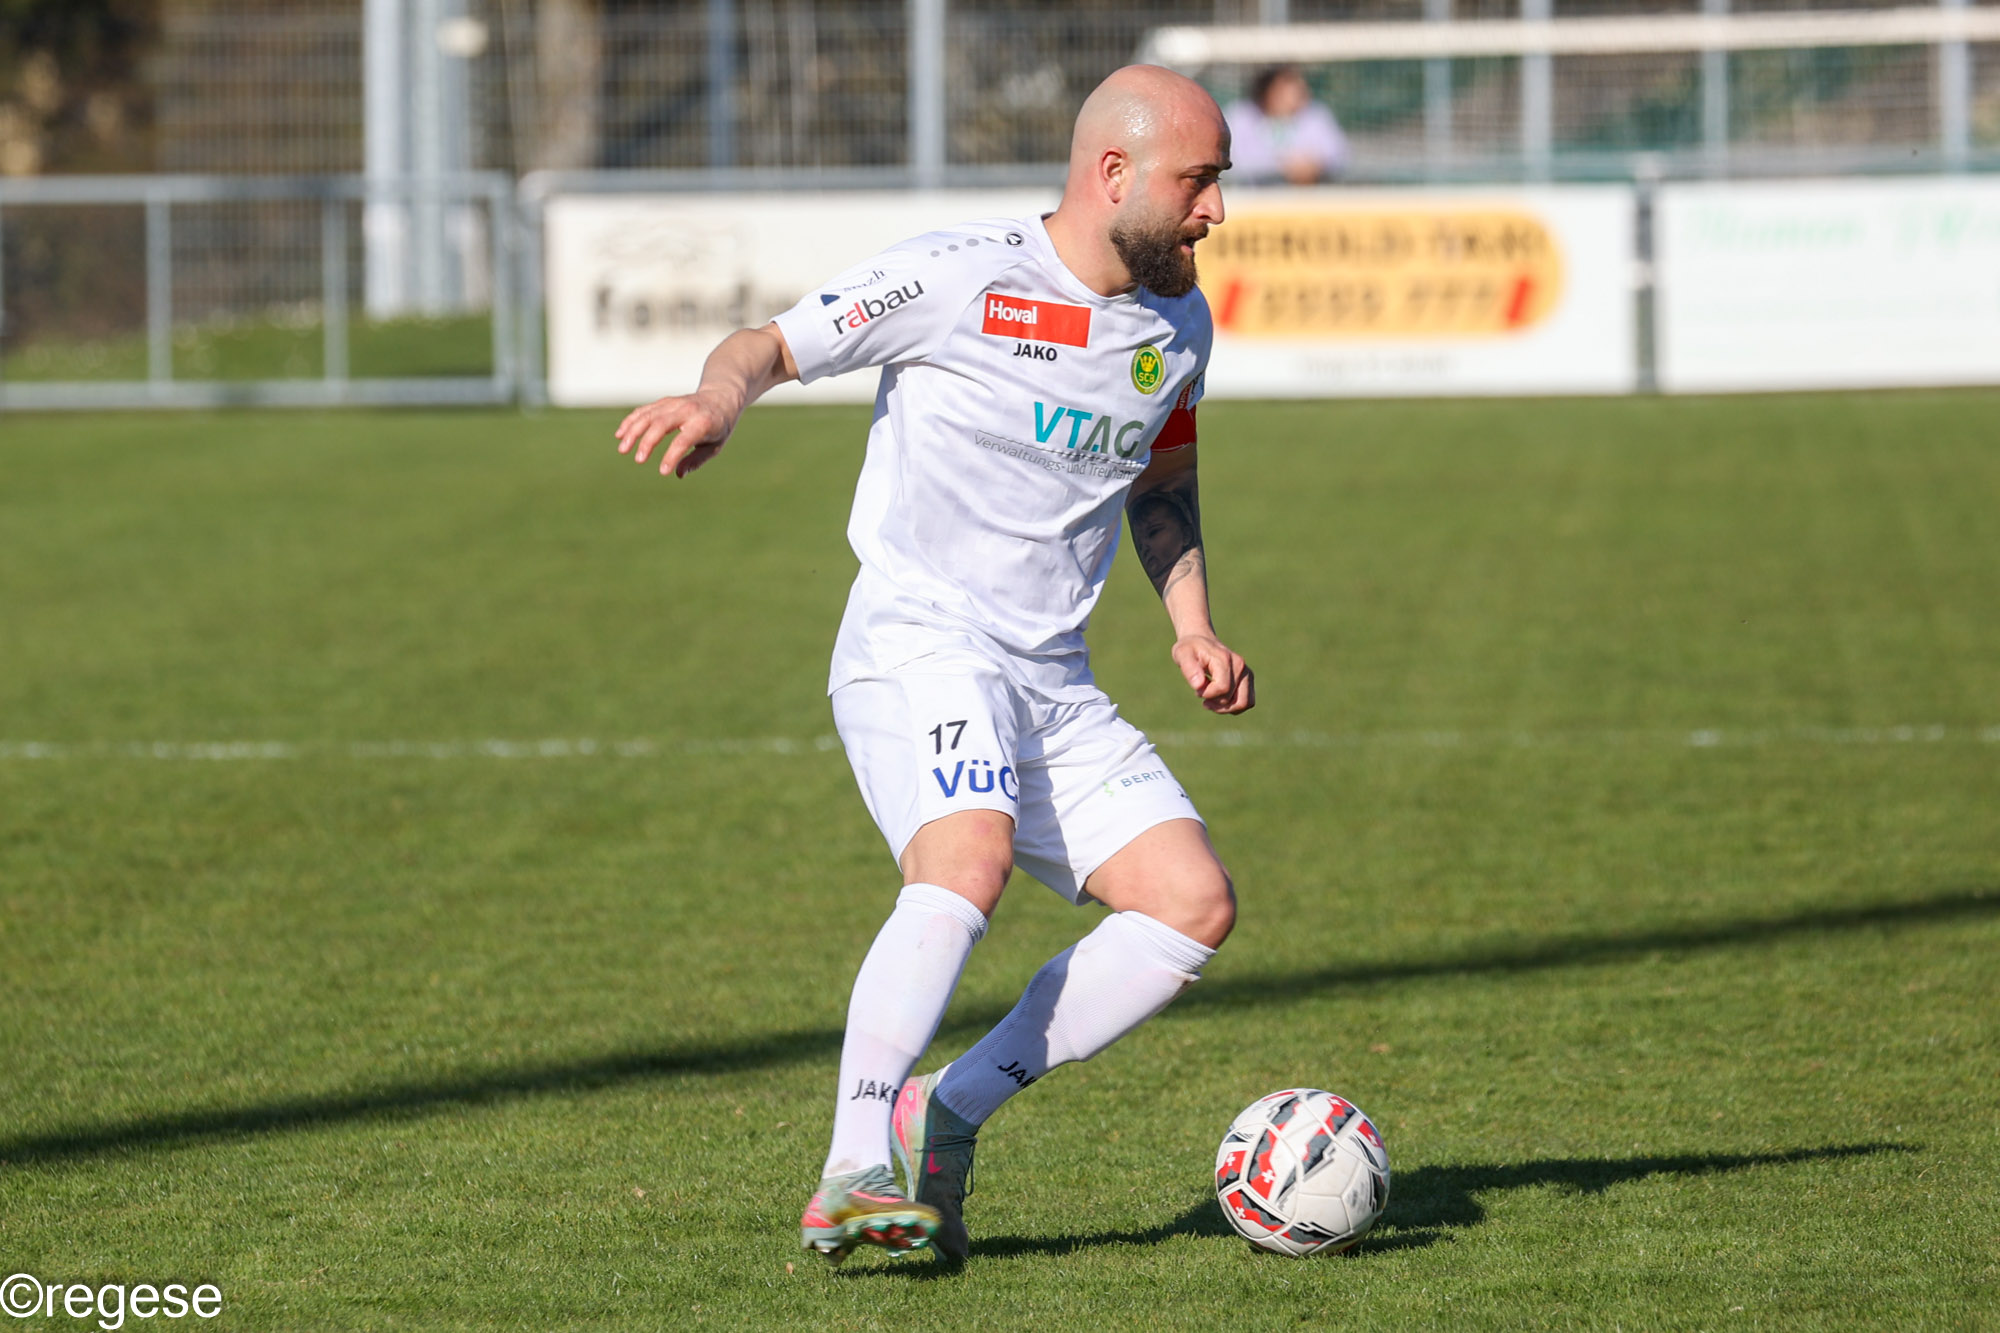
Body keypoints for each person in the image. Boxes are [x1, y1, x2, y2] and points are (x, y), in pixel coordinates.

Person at [612, 64, 1252, 1266]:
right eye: (1198, 182)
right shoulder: (963, 277)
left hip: (1050, 676)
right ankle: (852, 1166)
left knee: (1189, 904)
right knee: (966, 857)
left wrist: (1190, 621)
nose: (1214, 210)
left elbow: (1163, 478)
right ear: (1113, 172)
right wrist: (717, 396)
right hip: (920, 639)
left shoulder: (1178, 323)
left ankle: (943, 1109)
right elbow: (768, 344)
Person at [1224, 64, 1349, 185]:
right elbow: (1233, 161)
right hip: (1252, 195)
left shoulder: (1316, 115)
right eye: (1284, 91)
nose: (1297, 95)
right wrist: (1281, 166)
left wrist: (1315, 165)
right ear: (1268, 91)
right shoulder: (1241, 116)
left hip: (1311, 194)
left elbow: (1339, 155)